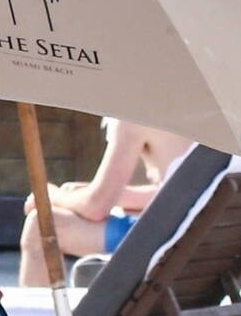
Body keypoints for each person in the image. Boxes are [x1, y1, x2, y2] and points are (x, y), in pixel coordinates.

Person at [19, 120, 191, 287]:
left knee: (41, 226)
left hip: (164, 242)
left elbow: (96, 207)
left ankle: (40, 308)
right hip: (196, 237)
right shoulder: (196, 107)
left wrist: (50, 196)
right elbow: (182, 191)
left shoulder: (135, 114)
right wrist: (116, 195)